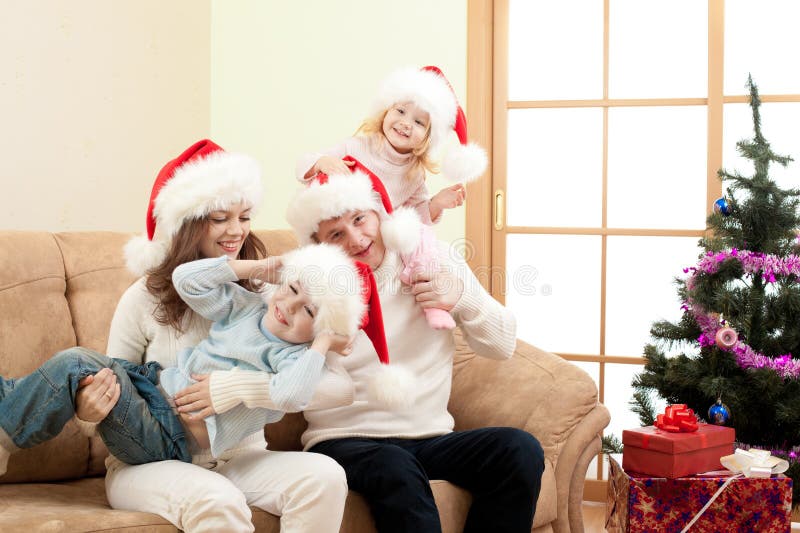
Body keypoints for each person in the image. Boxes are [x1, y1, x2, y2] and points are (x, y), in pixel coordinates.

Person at [71, 139, 351, 533]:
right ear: (186, 222)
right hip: (153, 462)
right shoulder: (142, 299)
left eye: (245, 216)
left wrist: (238, 387)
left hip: (241, 457)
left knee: (324, 477)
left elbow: (337, 389)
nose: (236, 231)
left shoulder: (272, 297)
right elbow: (116, 387)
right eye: (220, 217)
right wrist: (88, 410)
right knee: (217, 501)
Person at [283, 164, 546, 532]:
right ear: (317, 246)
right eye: (336, 234)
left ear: (380, 213)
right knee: (394, 465)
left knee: (519, 450)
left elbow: (502, 345)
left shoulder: (432, 259)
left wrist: (462, 298)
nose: (357, 239)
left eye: (361, 219)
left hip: (431, 438)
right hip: (343, 442)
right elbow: (279, 371)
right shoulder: (305, 287)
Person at [0, 242, 369, 476]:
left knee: (75, 361)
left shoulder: (293, 358)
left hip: (165, 437)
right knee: (67, 367)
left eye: (308, 311)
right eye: (291, 289)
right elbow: (186, 280)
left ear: (321, 327)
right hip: (149, 385)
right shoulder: (248, 308)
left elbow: (291, 396)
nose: (288, 306)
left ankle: (3, 442)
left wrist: (322, 343)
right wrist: (262, 267)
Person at [296, 66, 489, 331]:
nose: (406, 123)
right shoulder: (356, 147)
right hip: (348, 229)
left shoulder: (414, 174)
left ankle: (430, 298)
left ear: (428, 138)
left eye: (419, 122)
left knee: (422, 239)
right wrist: (323, 161)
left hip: (381, 243)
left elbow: (418, 216)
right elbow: (303, 167)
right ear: (385, 111)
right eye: (400, 111)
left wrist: (436, 204)